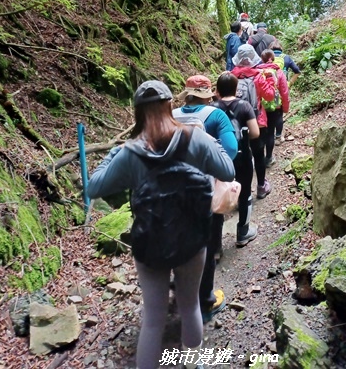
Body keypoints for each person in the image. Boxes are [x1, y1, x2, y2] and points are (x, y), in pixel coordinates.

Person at [88, 80, 235, 369]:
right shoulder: (196, 138)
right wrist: (210, 146)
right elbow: (228, 170)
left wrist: (115, 152)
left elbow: (94, 187)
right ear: (171, 106)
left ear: (137, 113)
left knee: (153, 320)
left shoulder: (131, 153)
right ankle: (193, 363)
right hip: (192, 239)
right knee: (190, 304)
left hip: (150, 240)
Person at [173, 75, 238, 324]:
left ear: (187, 94)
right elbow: (231, 149)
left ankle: (180, 289)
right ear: (208, 94)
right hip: (203, 192)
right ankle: (206, 299)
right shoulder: (216, 116)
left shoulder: (170, 115)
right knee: (208, 244)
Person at [212, 71, 260, 246]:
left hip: (218, 158)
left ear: (217, 89)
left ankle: (216, 246)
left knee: (216, 196)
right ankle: (243, 232)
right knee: (245, 193)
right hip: (242, 156)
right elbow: (255, 133)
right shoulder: (244, 106)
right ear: (236, 88)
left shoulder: (213, 109)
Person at [230, 44, 276, 199]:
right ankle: (261, 186)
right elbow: (269, 96)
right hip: (257, 122)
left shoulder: (231, 77)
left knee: (241, 156)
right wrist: (270, 80)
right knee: (258, 154)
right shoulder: (259, 76)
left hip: (235, 123)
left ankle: (243, 191)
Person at [259, 49, 290, 165]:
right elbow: (284, 92)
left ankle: (259, 159)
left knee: (262, 132)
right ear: (273, 58)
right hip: (276, 105)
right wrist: (285, 107)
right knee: (271, 132)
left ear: (261, 59)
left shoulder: (258, 72)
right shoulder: (279, 72)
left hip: (261, 106)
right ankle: (268, 158)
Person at [270, 39, 301, 144]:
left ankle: (269, 135)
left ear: (271, 49)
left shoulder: (267, 57)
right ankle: (278, 137)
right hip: (282, 88)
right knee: (279, 113)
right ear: (281, 49)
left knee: (269, 111)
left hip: (268, 88)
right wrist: (290, 83)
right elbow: (297, 71)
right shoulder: (286, 58)